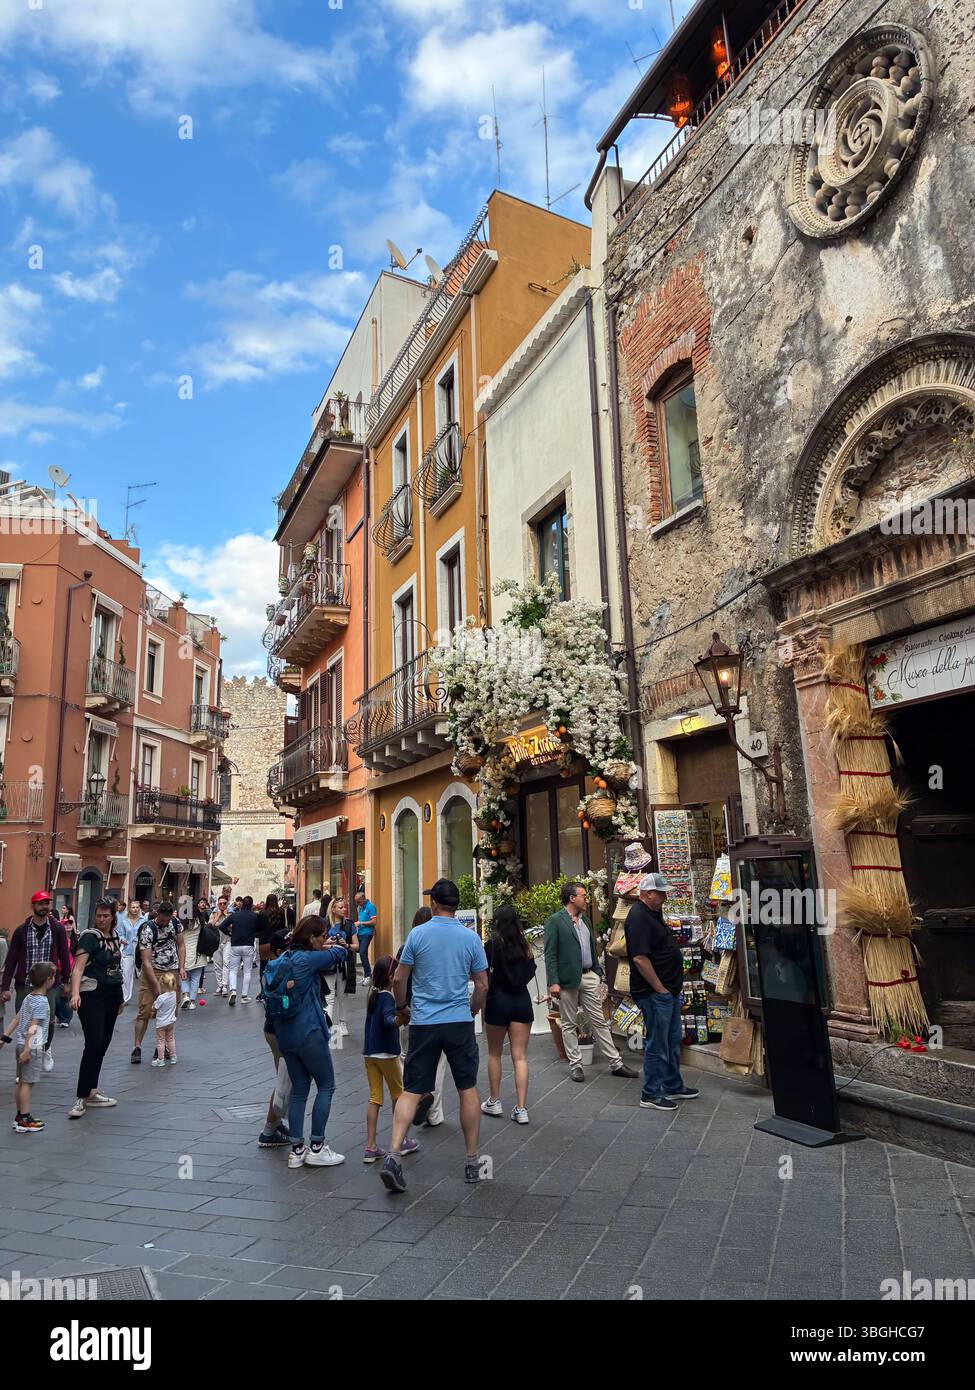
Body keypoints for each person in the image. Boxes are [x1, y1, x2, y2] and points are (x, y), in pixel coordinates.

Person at [380, 879, 488, 1195]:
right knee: (467, 1088)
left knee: (412, 1090)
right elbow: (482, 984)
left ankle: (394, 1155)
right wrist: (473, 1009)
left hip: (425, 1022)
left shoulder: (418, 934)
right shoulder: (470, 938)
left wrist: (402, 1006)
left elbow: (399, 977)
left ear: (435, 904)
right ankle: (471, 1160)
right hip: (458, 1021)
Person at [263, 917, 347, 1169]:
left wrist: (326, 944)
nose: (324, 940)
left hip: (284, 1034)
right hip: (308, 1031)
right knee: (326, 1085)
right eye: (321, 936)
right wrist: (335, 944)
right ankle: (318, 1146)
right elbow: (339, 955)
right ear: (311, 938)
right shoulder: (308, 959)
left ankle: (297, 1150)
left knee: (299, 1089)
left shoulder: (283, 959)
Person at [544, 882, 638, 1084]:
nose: (587, 899)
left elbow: (591, 949)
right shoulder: (555, 921)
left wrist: (597, 972)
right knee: (569, 1023)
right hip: (567, 979)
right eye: (583, 895)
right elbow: (550, 954)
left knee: (600, 1021)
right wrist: (554, 982)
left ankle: (616, 1063)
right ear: (572, 898)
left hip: (588, 976)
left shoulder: (585, 921)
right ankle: (576, 1065)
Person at [625, 872, 699, 1111]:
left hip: (667, 991)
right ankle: (651, 1093)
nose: (665, 897)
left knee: (671, 1039)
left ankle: (672, 1085)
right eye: (661, 893)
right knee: (657, 1043)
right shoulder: (638, 917)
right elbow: (639, 958)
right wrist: (660, 988)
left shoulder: (653, 913)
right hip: (654, 993)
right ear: (647, 894)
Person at [1, 890, 72, 1075]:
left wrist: (66, 981)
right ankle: (26, 1058)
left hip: (49, 984)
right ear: (33, 906)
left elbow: (65, 956)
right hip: (24, 983)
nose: (45, 906)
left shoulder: (57, 929)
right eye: (41, 903)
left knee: (47, 1022)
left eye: (47, 903)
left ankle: (44, 1048)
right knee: (24, 1021)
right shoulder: (21, 931)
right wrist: (5, 987)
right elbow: (11, 960)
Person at [481, 903, 537, 1124]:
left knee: (494, 1053)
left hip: (498, 1000)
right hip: (521, 1001)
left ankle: (494, 1101)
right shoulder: (525, 946)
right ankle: (521, 1108)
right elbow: (530, 971)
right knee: (520, 1056)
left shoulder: (491, 946)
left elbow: (483, 976)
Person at [68, 898, 124, 1117]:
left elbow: (116, 969)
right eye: (98, 915)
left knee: (103, 1042)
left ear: (112, 917)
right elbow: (78, 968)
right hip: (91, 993)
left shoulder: (115, 937)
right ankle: (81, 1097)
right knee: (93, 1042)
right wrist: (74, 993)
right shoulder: (89, 938)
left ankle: (91, 1091)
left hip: (111, 994)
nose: (101, 919)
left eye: (105, 916)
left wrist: (120, 998)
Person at [362, 955, 420, 1164]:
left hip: (370, 1054)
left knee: (375, 1098)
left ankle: (370, 1146)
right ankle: (401, 1140)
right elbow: (388, 1021)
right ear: (390, 977)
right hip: (386, 1054)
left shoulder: (373, 994)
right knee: (399, 1095)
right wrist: (400, 1019)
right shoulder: (387, 998)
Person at [1, 960, 57, 1132]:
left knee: (21, 1081)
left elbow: (16, 1019)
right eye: (54, 976)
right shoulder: (41, 1002)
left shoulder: (29, 997)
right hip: (30, 1047)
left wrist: (4, 1037)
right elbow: (34, 1027)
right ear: (48, 979)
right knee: (28, 1083)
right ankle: (25, 1119)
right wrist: (28, 1050)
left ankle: (20, 1116)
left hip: (20, 1044)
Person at [131, 901, 185, 1064]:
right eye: (162, 920)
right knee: (145, 1010)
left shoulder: (175, 923)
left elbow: (181, 945)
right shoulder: (148, 929)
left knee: (170, 1010)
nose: (165, 923)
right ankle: (137, 1046)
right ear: (157, 915)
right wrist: (155, 986)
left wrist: (182, 967)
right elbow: (145, 960)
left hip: (171, 971)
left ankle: (164, 1046)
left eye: (167, 920)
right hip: (152, 970)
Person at [256, 927, 293, 1151]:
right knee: (285, 1081)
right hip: (280, 1030)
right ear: (280, 950)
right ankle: (268, 1131)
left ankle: (276, 1123)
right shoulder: (281, 968)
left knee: (285, 1078)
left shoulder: (271, 967)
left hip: (272, 1029)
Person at [324, 895, 356, 1036]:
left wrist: (346, 944)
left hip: (344, 963)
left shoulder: (349, 924)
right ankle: (329, 1024)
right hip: (328, 962)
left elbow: (357, 946)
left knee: (343, 995)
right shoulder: (324, 924)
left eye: (345, 907)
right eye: (341, 907)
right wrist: (328, 942)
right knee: (329, 995)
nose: (344, 909)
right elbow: (318, 944)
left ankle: (342, 1022)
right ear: (333, 909)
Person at [222, 894, 261, 1005]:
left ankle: (233, 990)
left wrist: (230, 933)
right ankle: (244, 996)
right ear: (252, 905)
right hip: (248, 944)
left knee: (233, 970)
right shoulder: (255, 916)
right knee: (247, 971)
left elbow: (222, 926)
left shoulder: (235, 916)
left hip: (235, 944)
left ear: (242, 904)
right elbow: (259, 929)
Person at [178, 900, 208, 1009]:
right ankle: (192, 1001)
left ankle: (185, 995)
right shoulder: (200, 921)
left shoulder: (181, 923)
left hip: (184, 952)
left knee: (183, 976)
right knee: (196, 978)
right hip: (199, 953)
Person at [258, 893, 287, 999]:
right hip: (277, 942)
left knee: (263, 967)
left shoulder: (262, 913)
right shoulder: (281, 912)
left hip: (264, 941)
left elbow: (258, 928)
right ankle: (277, 989)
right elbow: (283, 927)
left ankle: (263, 991)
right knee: (279, 967)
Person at [117, 901, 145, 1008]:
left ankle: (144, 998)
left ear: (139, 908)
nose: (135, 909)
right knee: (126, 975)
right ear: (130, 909)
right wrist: (122, 940)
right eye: (133, 907)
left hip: (140, 951)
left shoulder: (144, 921)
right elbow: (120, 934)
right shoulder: (125, 921)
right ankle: (125, 998)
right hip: (127, 950)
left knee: (142, 974)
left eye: (137, 907)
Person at [151, 972, 179, 1066]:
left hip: (161, 1023)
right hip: (170, 1021)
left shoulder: (161, 998)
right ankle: (173, 1057)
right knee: (170, 1039)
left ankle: (161, 1059)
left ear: (162, 984)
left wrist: (153, 1006)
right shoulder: (174, 994)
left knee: (160, 1041)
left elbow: (155, 1007)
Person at [209, 897, 231, 995]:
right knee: (217, 965)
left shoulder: (231, 914)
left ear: (227, 904)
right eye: (220, 903)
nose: (222, 905)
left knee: (226, 963)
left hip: (227, 942)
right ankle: (220, 986)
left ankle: (225, 985)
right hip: (216, 942)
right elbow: (211, 925)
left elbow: (232, 927)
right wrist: (218, 915)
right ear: (217, 904)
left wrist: (226, 916)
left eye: (224, 903)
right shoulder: (213, 914)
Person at [354, 889, 377, 982]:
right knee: (363, 953)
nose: (357, 903)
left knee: (362, 953)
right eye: (356, 902)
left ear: (363, 899)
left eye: (358, 901)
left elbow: (374, 922)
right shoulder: (361, 907)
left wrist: (361, 923)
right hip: (360, 932)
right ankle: (366, 975)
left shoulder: (370, 907)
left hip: (367, 933)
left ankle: (368, 975)